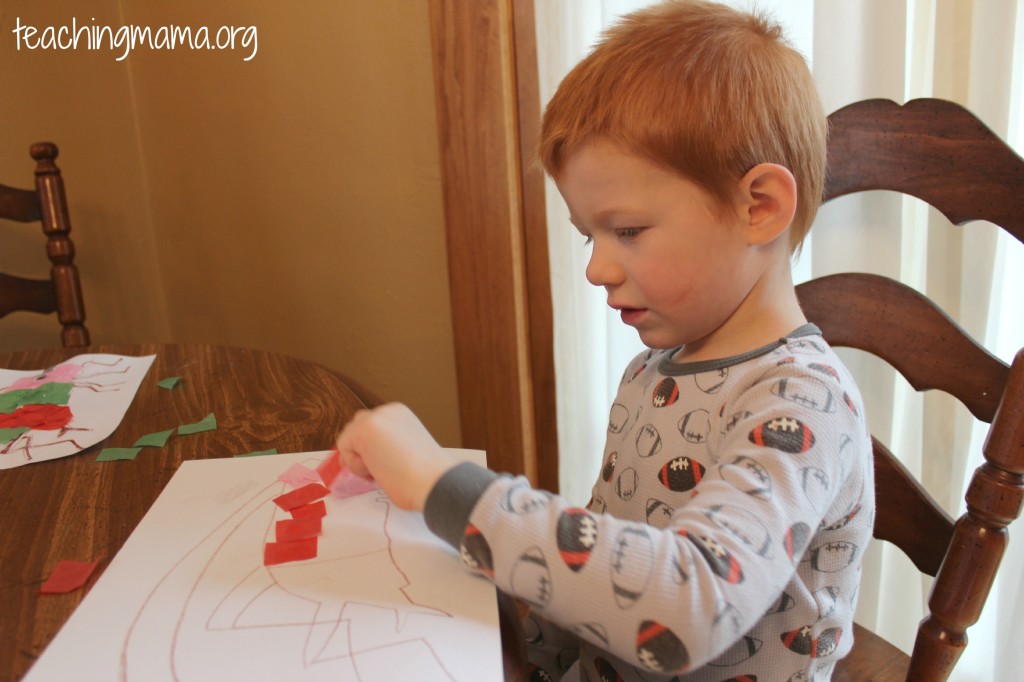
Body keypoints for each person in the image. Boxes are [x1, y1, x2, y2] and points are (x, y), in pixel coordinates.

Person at [335, 1, 873, 680]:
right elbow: (606, 552)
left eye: (628, 230)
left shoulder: (803, 408)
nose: (596, 268)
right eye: (590, 235)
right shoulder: (656, 369)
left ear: (758, 207)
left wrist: (443, 487)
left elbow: (688, 607)